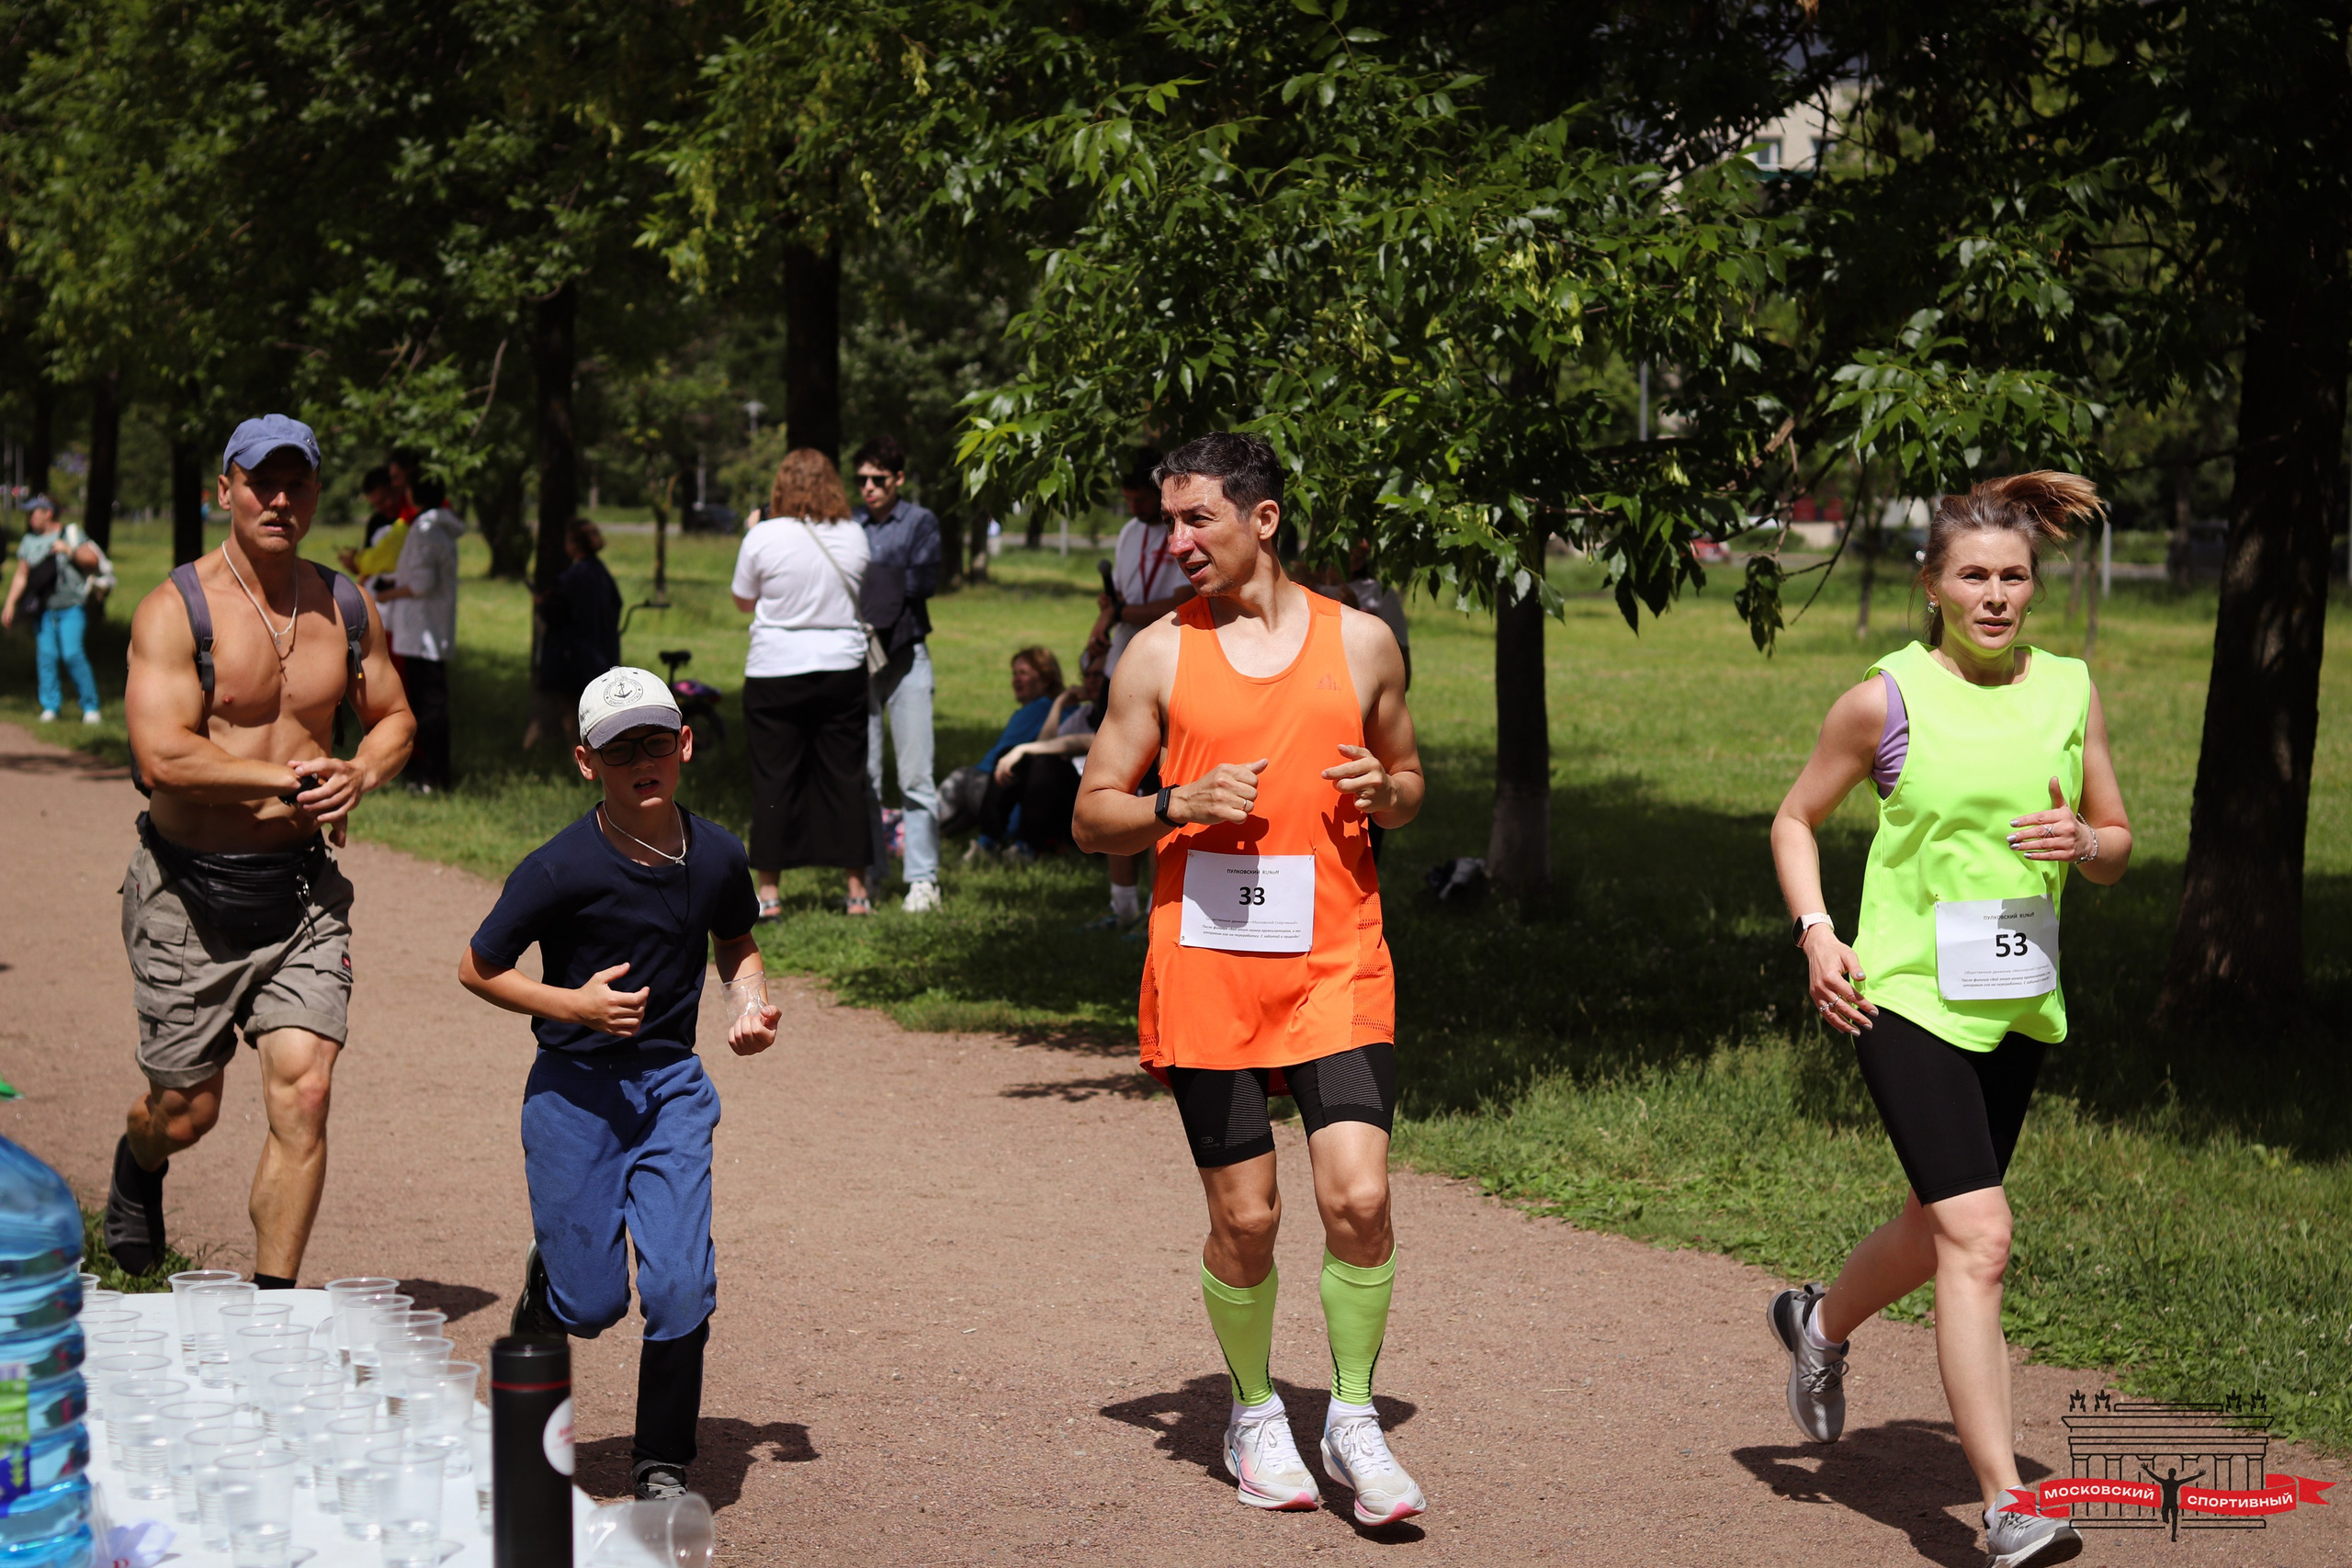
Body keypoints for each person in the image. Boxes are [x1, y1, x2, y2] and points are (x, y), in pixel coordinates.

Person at [1767, 472, 2132, 1568]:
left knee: (1938, 1227)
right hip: (1906, 996)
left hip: (2016, 1000)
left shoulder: (2069, 689)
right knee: (1980, 1237)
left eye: (2012, 577)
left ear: (2034, 588)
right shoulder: (1885, 698)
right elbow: (1795, 818)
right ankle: (2004, 1503)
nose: (1994, 595)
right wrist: (1818, 933)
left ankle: (1817, 1323)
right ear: (1931, 586)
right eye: (1971, 576)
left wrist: (2086, 847)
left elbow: (2117, 842)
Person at [1073, 432, 1428, 1527]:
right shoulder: (1158, 657)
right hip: (1210, 970)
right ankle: (1253, 1409)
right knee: (1250, 1220)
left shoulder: (1362, 642)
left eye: (1196, 521)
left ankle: (1355, 1417)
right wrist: (1175, 805)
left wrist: (1390, 791)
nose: (1173, 540)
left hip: (1335, 960)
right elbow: (1092, 815)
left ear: (1261, 520)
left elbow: (1410, 781)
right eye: (1168, 522)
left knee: (1359, 1198)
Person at [458, 666, 777, 1503]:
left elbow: (737, 943)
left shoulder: (716, 852)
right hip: (573, 1091)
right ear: (584, 760)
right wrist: (575, 1005)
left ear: (685, 744)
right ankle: (548, 1289)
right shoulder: (559, 867)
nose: (643, 759)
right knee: (591, 1302)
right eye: (619, 746)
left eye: (656, 741)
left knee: (679, 1285)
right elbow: (478, 966)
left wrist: (751, 1002)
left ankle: (660, 1462)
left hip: (672, 1086)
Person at [107, 414, 415, 1284]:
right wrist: (288, 781)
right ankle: (140, 1162)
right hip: (186, 891)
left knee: (305, 1089)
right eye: (260, 482)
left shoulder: (346, 606)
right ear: (226, 489)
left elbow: (395, 717)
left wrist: (357, 770)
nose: (280, 499)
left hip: (301, 895)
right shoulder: (177, 609)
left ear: (317, 492)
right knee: (186, 1110)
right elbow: (161, 754)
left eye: (298, 484)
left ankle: (271, 1314)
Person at [731, 448, 873, 918]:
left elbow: (742, 600)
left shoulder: (764, 535)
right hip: (842, 665)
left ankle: (769, 894)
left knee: (774, 776)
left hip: (776, 666)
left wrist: (754, 534)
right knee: (845, 775)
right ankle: (857, 891)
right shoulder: (855, 534)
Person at [1091, 449, 1194, 928]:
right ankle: (1120, 904)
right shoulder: (1131, 532)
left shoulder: (1183, 534)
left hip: (1171, 667)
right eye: (1127, 499)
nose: (1134, 508)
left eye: (1140, 499)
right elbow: (1120, 599)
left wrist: (1122, 613)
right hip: (1121, 665)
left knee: (1163, 793)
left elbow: (1180, 601)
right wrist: (1104, 624)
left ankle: (1160, 910)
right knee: (1117, 788)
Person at [851, 435, 944, 913]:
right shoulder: (850, 523)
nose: (868, 488)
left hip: (907, 655)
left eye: (878, 479)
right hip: (860, 656)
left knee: (915, 774)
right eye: (862, 479)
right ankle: (869, 874)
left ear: (898, 479)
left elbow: (923, 581)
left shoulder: (920, 522)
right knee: (864, 773)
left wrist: (866, 582)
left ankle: (924, 880)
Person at [379, 478, 467, 794]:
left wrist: (389, 595)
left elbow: (421, 584)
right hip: (430, 631)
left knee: (428, 709)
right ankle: (432, 773)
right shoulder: (441, 528)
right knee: (432, 706)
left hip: (422, 634)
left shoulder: (425, 529)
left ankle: (431, 777)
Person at [979, 651, 1103, 860]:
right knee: (1033, 759)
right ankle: (987, 842)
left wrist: (1022, 749)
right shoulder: (1082, 714)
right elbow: (1045, 746)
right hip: (1066, 801)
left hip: (1094, 803)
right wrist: (1060, 702)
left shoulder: (1118, 714)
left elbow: (1088, 742)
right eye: (1087, 675)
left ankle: (1027, 846)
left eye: (1098, 675)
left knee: (1044, 763)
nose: (1090, 680)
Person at [3, 494, 105, 723]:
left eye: (34, 512)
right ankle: (50, 706)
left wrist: (69, 550)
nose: (30, 517)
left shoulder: (71, 533)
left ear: (48, 513)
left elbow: (92, 560)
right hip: (44, 609)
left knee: (72, 654)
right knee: (46, 656)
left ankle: (90, 707)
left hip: (72, 605)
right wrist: (10, 603)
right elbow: (22, 575)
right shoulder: (28, 541)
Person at [535, 519, 624, 723]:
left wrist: (543, 602)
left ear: (574, 545)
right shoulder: (601, 572)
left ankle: (580, 755)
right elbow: (617, 604)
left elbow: (554, 612)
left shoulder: (572, 577)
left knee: (577, 720)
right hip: (603, 656)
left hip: (574, 662)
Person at [334, 466, 404, 595]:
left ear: (395, 489)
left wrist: (358, 561)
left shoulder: (411, 520)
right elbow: (368, 568)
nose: (381, 508)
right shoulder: (376, 522)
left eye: (383, 501)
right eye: (375, 505)